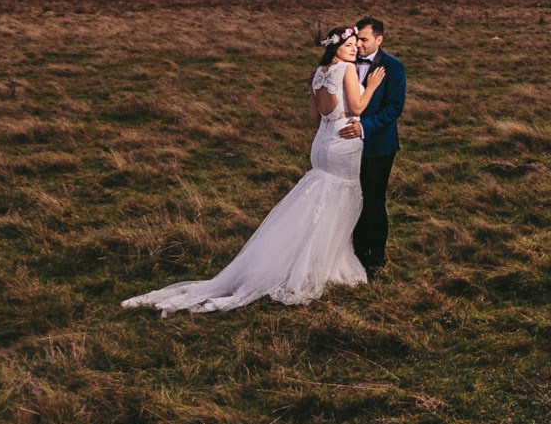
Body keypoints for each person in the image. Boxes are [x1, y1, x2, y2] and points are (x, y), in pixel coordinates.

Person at [122, 26, 385, 314]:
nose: (353, 49)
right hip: (343, 140)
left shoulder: (318, 73)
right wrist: (371, 86)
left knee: (319, 196)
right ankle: (320, 264)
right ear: (335, 47)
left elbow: (314, 115)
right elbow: (357, 107)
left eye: (354, 44)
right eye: (348, 44)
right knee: (341, 198)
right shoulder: (346, 70)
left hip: (321, 142)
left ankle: (304, 257)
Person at [349, 17, 405, 275]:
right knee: (350, 199)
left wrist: (365, 128)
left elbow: (394, 108)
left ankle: (375, 258)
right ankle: (351, 252)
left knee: (373, 200)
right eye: (356, 39)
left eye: (364, 40)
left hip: (378, 145)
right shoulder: (346, 62)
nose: (358, 45)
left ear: (379, 39)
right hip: (345, 146)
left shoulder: (393, 67)